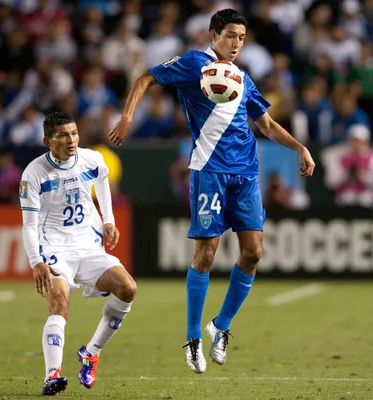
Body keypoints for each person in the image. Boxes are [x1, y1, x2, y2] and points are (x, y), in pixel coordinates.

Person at [108, 9, 315, 374]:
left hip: (246, 174)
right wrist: (126, 118)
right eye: (231, 35)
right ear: (214, 34)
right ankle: (192, 338)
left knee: (253, 253)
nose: (236, 43)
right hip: (209, 170)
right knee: (206, 254)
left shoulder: (242, 78)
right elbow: (144, 79)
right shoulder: (193, 64)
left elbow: (265, 123)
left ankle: (220, 325)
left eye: (242, 37)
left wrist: (300, 148)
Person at [19, 111, 137, 395]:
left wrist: (108, 218)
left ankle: (91, 352)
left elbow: (103, 180)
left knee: (128, 288)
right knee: (59, 300)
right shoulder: (33, 173)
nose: (71, 140)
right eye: (62, 135)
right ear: (48, 140)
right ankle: (52, 375)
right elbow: (28, 225)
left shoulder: (92, 158)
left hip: (87, 244)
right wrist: (36, 262)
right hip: (54, 247)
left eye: (73, 133)